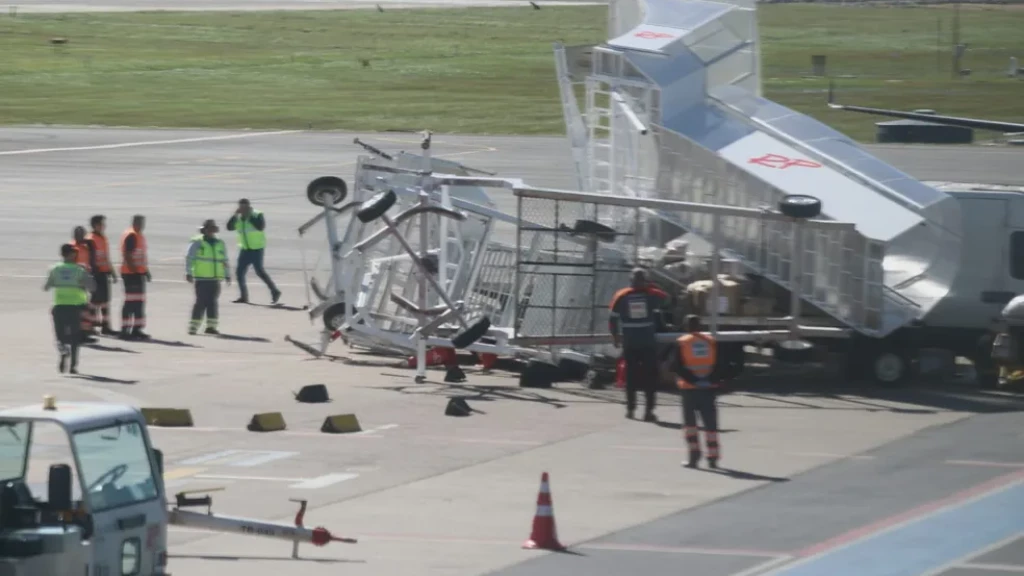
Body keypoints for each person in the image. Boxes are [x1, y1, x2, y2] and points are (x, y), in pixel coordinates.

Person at [608, 268, 670, 422]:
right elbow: (668, 299)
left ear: (630, 280)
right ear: (644, 281)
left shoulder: (621, 296)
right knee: (650, 378)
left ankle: (630, 409)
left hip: (630, 344)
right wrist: (651, 286)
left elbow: (612, 319)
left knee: (631, 377)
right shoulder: (651, 296)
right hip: (647, 343)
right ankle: (648, 411)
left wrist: (615, 336)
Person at [667, 314, 725, 469]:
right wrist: (709, 380)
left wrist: (693, 380)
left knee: (691, 426)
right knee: (710, 425)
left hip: (689, 390)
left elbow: (676, 367)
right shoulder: (711, 341)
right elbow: (720, 365)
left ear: (686, 326)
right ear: (700, 326)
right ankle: (713, 457)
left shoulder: (682, 343)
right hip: (708, 389)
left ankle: (694, 457)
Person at [44, 244, 95, 374]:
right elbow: (92, 287)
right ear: (71, 254)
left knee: (60, 337)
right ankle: (73, 366)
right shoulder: (79, 270)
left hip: (60, 306)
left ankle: (63, 352)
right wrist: (86, 277)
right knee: (75, 338)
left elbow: (47, 287)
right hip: (75, 308)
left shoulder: (54, 269)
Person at [226, 198, 281, 305]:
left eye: (244, 207)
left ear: (249, 207)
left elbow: (260, 227)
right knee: (239, 273)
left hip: (257, 249)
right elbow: (229, 227)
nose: (242, 209)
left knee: (259, 272)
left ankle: (275, 291)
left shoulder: (257, 214)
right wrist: (235, 215)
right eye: (240, 207)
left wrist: (249, 216)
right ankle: (244, 296)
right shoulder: (238, 218)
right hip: (245, 249)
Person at [186, 219, 231, 335]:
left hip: (215, 279)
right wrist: (189, 273)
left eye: (212, 229)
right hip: (202, 278)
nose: (211, 231)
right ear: (204, 230)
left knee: (212, 303)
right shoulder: (197, 243)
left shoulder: (220, 243)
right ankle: (193, 327)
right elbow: (190, 258)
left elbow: (224, 260)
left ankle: (211, 327)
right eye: (209, 229)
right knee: (200, 302)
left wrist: (227, 275)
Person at [120, 215, 151, 340]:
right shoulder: (131, 235)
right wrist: (134, 271)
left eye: (143, 222)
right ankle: (125, 330)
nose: (142, 225)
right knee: (130, 303)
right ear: (134, 222)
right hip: (131, 274)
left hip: (138, 273)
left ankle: (137, 329)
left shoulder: (139, 235)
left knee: (139, 303)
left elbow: (140, 256)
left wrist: (146, 271)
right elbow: (127, 255)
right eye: (140, 222)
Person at [86, 214, 118, 336]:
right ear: (96, 225)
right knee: (95, 301)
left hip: (104, 273)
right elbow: (89, 258)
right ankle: (91, 326)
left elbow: (105, 257)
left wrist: (112, 272)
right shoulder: (90, 239)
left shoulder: (103, 239)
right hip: (95, 273)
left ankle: (105, 326)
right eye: (102, 224)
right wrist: (93, 272)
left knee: (105, 301)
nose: (104, 226)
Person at [71, 226, 98, 343]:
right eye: (78, 235)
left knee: (85, 309)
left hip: (83, 283)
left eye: (83, 235)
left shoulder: (85, 248)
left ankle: (84, 333)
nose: (81, 238)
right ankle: (78, 334)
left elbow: (90, 261)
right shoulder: (72, 249)